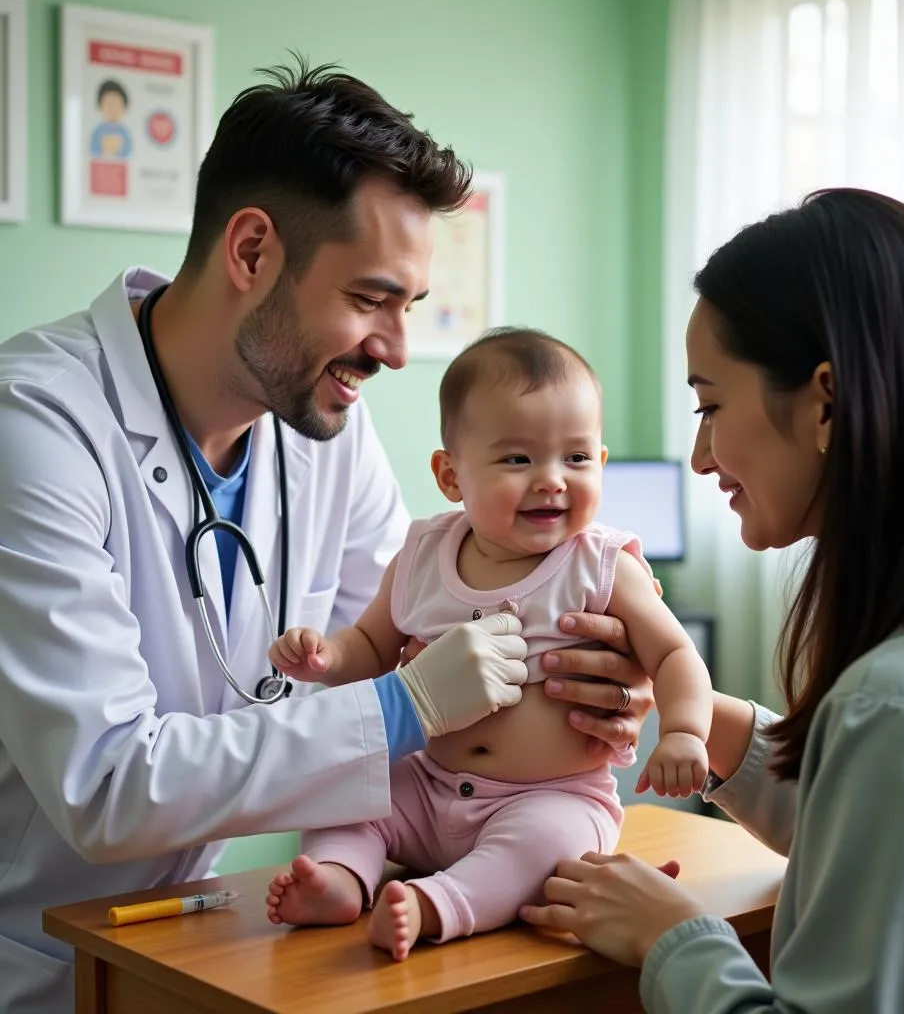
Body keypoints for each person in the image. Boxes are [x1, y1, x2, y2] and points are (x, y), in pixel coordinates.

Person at [0, 61, 653, 1013]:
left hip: (202, 939)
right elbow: (106, 783)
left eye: (408, 308)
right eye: (370, 299)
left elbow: (403, 632)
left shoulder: (317, 433)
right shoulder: (35, 428)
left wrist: (581, 694)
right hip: (34, 964)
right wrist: (408, 705)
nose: (394, 347)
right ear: (253, 252)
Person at [520, 188, 904, 1012]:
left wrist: (672, 937)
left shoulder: (901, 706)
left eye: (710, 404)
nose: (699, 453)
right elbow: (890, 839)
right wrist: (689, 712)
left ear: (825, 400)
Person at [262, 328, 712, 959]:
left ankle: (436, 904)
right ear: (451, 476)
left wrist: (686, 731)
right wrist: (326, 657)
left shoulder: (602, 565)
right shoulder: (422, 552)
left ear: (601, 464)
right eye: (518, 460)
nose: (552, 480)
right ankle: (341, 876)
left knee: (547, 846)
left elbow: (673, 654)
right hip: (428, 784)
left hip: (549, 795)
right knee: (346, 782)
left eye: (576, 459)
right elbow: (371, 644)